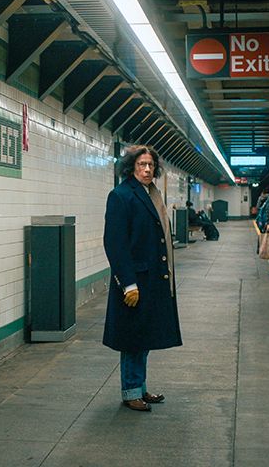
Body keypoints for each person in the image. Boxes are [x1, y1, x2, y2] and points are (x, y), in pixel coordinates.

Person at [102, 145, 182, 412]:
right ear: (131, 167)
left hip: (152, 280)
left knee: (143, 337)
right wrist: (128, 282)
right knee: (133, 339)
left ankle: (139, 386)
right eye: (141, 165)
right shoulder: (121, 196)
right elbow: (115, 243)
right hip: (135, 281)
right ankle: (131, 391)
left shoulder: (151, 194)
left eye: (150, 165)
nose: (147, 169)